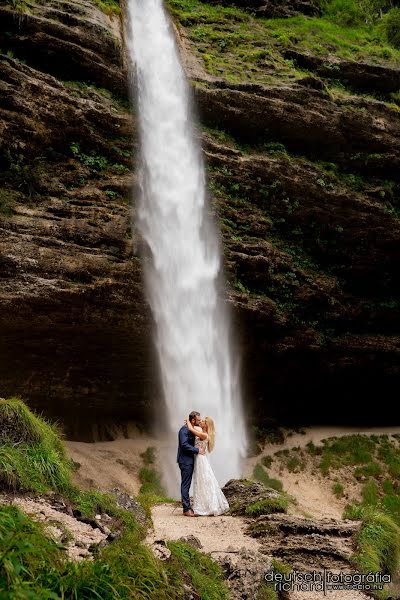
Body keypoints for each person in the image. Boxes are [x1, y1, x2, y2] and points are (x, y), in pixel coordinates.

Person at [185, 416, 229, 516]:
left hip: (200, 460)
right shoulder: (202, 432)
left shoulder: (204, 435)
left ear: (207, 425)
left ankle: (204, 507)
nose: (201, 421)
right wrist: (190, 423)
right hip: (200, 458)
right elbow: (194, 428)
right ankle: (203, 505)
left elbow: (191, 429)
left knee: (202, 481)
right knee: (202, 481)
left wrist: (188, 421)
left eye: (204, 421)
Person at [177, 410, 205, 517]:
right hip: (185, 461)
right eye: (198, 420)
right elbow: (184, 445)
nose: (199, 421)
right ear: (193, 420)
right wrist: (197, 450)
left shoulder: (192, 429)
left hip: (190, 460)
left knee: (188, 484)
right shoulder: (183, 430)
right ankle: (186, 509)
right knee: (186, 484)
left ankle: (190, 507)